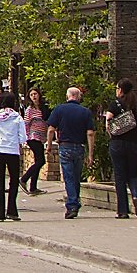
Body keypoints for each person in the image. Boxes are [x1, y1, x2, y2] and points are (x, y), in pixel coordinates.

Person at [48, 85, 96, 218]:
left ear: (67, 96)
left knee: (68, 177)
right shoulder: (85, 112)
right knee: (76, 177)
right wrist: (90, 154)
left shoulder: (59, 109)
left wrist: (49, 146)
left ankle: (72, 204)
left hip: (65, 146)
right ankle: (75, 201)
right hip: (79, 147)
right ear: (79, 97)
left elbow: (51, 129)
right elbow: (90, 133)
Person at [0, 91, 27, 221]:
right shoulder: (17, 117)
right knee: (13, 181)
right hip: (12, 151)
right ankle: (12, 210)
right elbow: (23, 137)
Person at [105, 80, 137, 219]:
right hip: (134, 144)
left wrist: (111, 133)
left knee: (120, 176)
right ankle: (135, 196)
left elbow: (108, 121)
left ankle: (122, 210)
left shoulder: (115, 104)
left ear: (121, 90)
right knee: (133, 175)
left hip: (118, 143)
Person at [21, 87, 50, 195]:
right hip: (33, 137)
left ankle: (33, 187)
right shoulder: (29, 110)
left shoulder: (43, 108)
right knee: (41, 161)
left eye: (35, 94)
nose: (34, 96)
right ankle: (24, 179)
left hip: (41, 137)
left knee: (38, 161)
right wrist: (25, 137)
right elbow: (26, 124)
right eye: (32, 94)